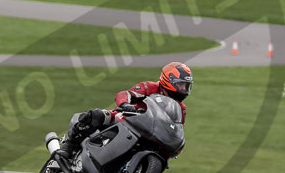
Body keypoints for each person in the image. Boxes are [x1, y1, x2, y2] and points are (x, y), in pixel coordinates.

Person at [58, 61, 193, 159]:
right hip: (128, 117)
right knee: (98, 116)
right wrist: (124, 104)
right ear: (168, 80)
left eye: (186, 86)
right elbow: (125, 94)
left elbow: (176, 127)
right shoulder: (150, 87)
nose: (184, 89)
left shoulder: (181, 108)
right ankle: (69, 145)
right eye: (181, 84)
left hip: (150, 131)